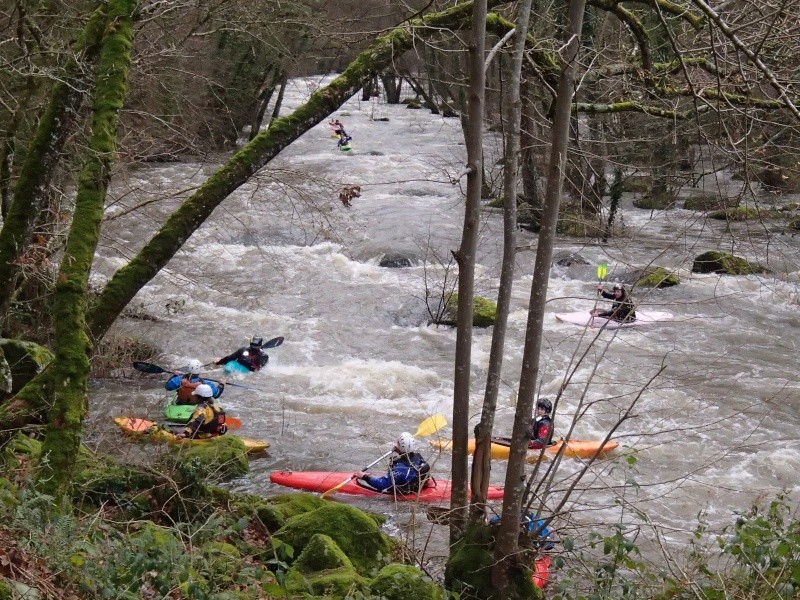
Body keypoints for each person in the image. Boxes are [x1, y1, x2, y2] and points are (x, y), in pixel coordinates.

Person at [355, 432, 432, 494]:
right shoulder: (418, 458)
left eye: (398, 443)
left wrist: (364, 476)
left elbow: (381, 485)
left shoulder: (400, 469)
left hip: (405, 490)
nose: (396, 445)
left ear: (401, 447)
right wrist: (399, 450)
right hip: (416, 485)